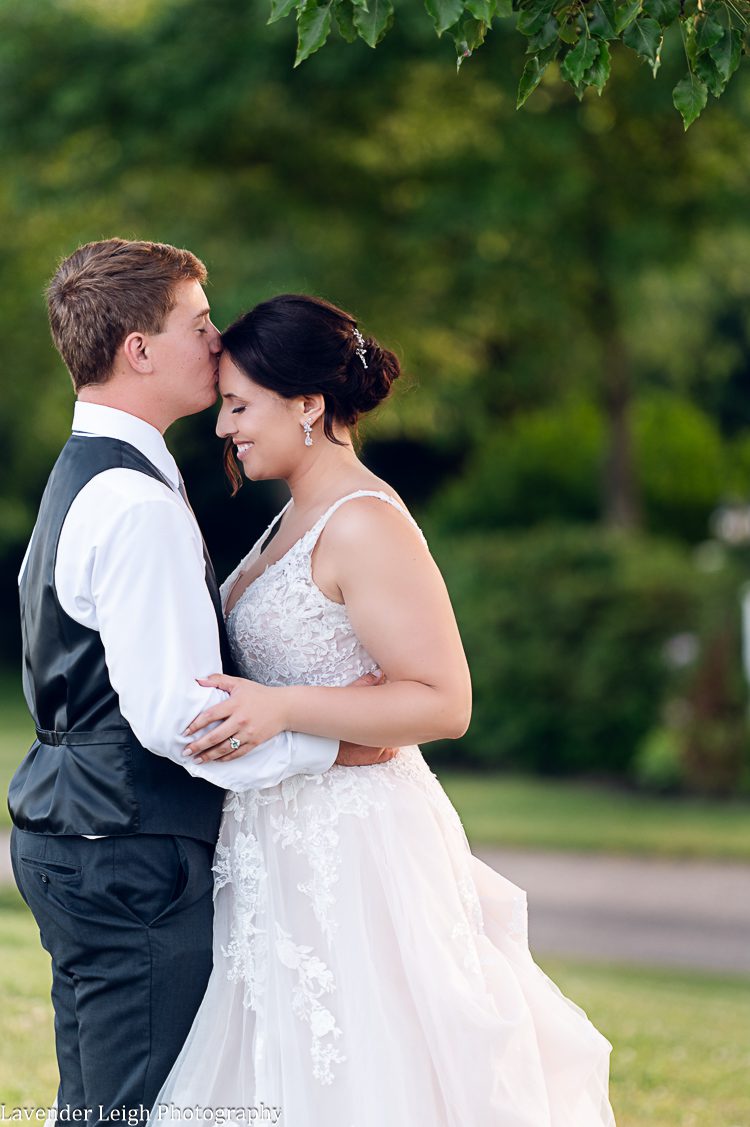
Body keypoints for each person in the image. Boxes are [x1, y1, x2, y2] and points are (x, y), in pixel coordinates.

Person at [151, 293, 617, 1125]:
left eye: (238, 405)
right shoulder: (289, 517)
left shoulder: (364, 522)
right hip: (275, 837)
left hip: (357, 847)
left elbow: (444, 700)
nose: (223, 427)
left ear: (308, 405)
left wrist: (283, 705)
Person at [8, 240, 390, 1125]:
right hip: (127, 848)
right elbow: (179, 719)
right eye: (198, 323)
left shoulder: (90, 476)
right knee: (135, 1109)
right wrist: (336, 743)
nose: (218, 343)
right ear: (139, 350)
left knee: (103, 1106)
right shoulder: (135, 502)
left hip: (83, 830)